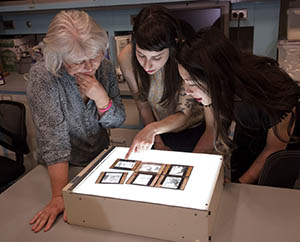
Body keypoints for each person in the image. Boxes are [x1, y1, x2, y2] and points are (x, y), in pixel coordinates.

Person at [26, 10, 126, 232]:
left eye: (95, 56)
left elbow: (117, 120)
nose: (90, 67)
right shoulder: (44, 78)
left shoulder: (106, 69)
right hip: (63, 169)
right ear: (59, 58)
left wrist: (101, 97)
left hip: (99, 160)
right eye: (79, 62)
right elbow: (55, 143)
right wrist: (60, 195)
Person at [176, 27, 300, 184]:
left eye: (191, 83)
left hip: (284, 143)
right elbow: (211, 131)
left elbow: (273, 150)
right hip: (250, 130)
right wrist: (189, 170)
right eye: (185, 82)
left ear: (214, 76)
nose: (187, 91)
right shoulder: (215, 90)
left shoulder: (271, 95)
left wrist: (239, 184)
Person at [118, 5, 204, 158]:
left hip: (192, 131)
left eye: (156, 58)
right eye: (141, 55)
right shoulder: (126, 57)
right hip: (158, 130)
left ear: (172, 47)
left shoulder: (184, 59)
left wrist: (153, 129)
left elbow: (184, 115)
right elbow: (143, 106)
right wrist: (158, 141)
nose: (147, 65)